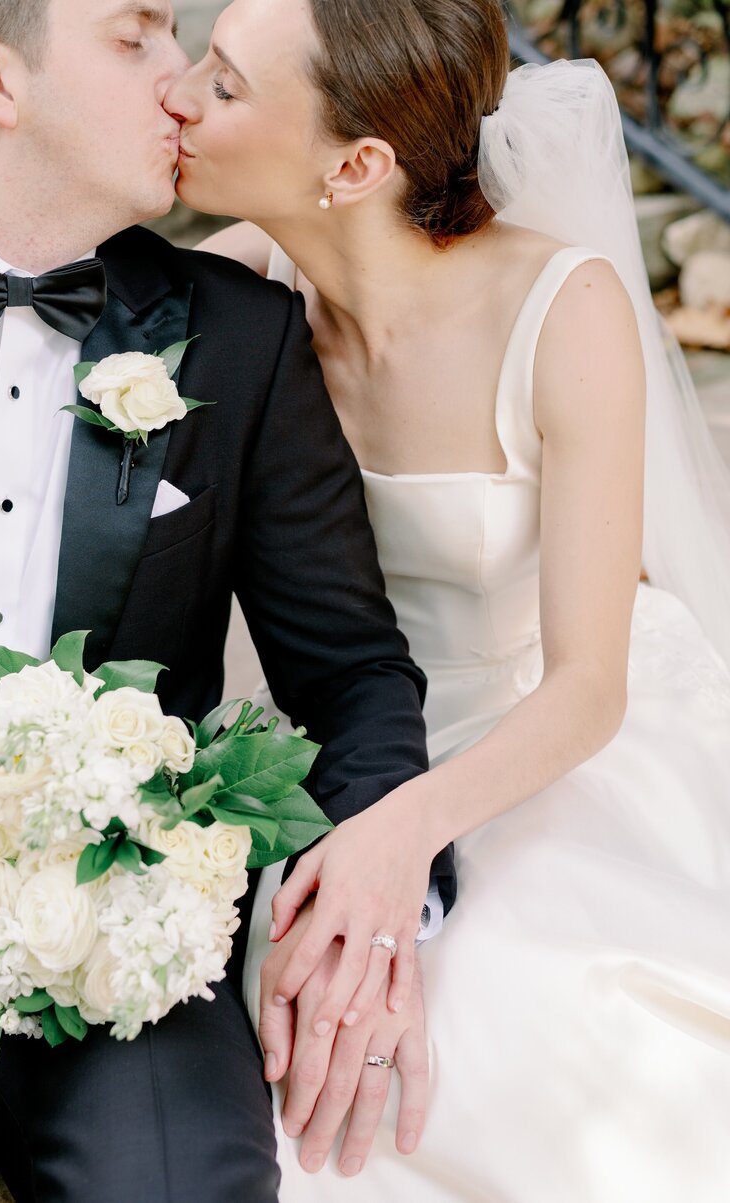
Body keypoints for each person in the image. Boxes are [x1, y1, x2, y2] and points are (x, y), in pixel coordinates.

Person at [169, 0, 730, 1197]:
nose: (176, 98)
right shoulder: (233, 294)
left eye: (220, 85)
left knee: (506, 1015)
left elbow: (587, 684)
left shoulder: (557, 311)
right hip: (328, 737)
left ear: (356, 164)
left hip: (533, 742)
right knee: (281, 1033)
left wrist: (401, 831)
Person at [0, 1, 457, 1199]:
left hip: (100, 939)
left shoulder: (238, 341)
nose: (182, 87)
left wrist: (374, 877)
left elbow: (353, 671)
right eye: (135, 40)